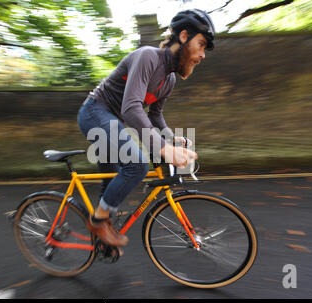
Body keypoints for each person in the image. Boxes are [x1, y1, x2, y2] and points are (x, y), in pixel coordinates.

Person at [77, 9, 215, 248]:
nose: (203, 55)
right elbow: (131, 109)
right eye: (201, 45)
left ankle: (100, 238)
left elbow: (156, 115)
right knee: (137, 165)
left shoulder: (169, 79)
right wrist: (163, 149)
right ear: (183, 36)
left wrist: (171, 140)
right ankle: (98, 222)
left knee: (111, 179)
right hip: (94, 112)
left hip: (112, 119)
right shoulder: (148, 57)